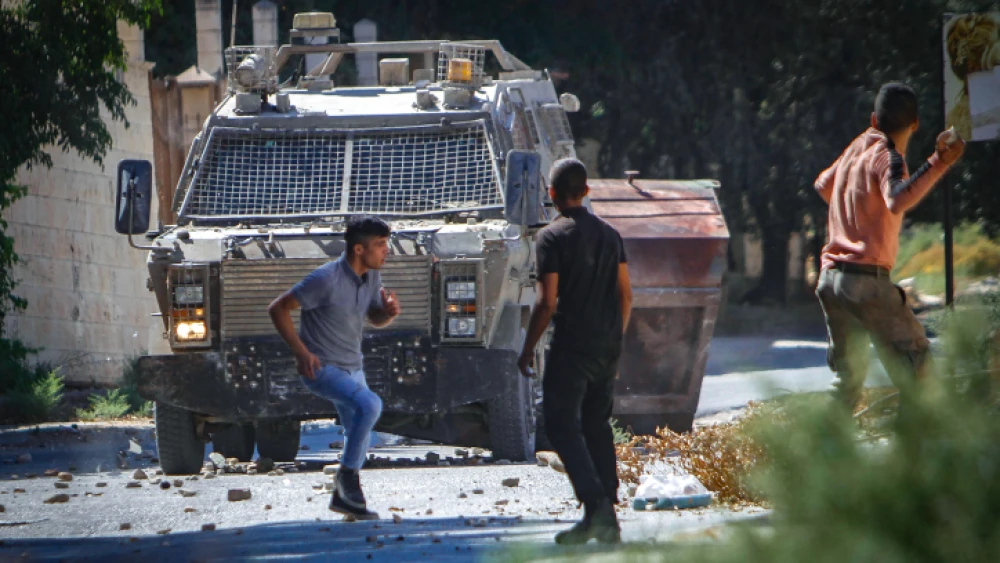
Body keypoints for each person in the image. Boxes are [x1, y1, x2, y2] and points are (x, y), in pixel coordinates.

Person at [814, 83, 966, 413]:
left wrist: (855, 211)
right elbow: (897, 199)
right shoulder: (888, 155)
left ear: (874, 119)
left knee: (847, 381)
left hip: (830, 279)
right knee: (917, 370)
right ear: (915, 124)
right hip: (865, 280)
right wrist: (939, 162)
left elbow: (824, 186)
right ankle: (912, 443)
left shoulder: (857, 147)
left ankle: (820, 442)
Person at [518, 158, 632, 545]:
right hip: (607, 344)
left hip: (572, 345)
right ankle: (605, 517)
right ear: (586, 191)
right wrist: (615, 338)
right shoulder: (610, 235)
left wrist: (526, 349)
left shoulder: (551, 237)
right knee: (596, 424)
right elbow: (626, 294)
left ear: (550, 194)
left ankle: (597, 506)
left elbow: (547, 301)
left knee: (560, 424)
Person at [268, 216, 400, 520]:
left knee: (359, 433)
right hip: (322, 368)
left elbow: (374, 318)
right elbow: (278, 308)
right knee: (370, 404)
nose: (387, 251)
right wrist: (301, 352)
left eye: (386, 243)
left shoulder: (371, 276)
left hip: (354, 367)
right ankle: (346, 478)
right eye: (380, 244)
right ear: (359, 249)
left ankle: (347, 501)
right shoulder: (326, 278)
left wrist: (388, 313)